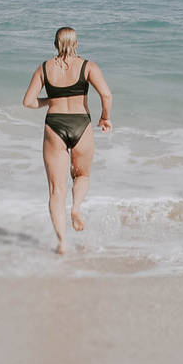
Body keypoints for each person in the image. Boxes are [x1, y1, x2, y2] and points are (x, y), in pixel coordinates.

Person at [22, 26, 112, 253]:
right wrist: (105, 117)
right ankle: (76, 209)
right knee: (82, 174)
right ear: (77, 43)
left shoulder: (44, 68)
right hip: (81, 124)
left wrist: (50, 101)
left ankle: (61, 242)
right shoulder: (87, 66)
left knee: (56, 190)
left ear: (55, 43)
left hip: (55, 126)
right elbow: (106, 94)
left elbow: (28, 102)